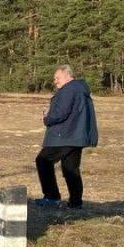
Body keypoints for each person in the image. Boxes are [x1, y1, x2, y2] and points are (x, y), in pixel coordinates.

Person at [35, 63, 98, 210]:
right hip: (77, 136)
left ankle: (51, 197)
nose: (55, 81)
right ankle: (76, 203)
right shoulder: (80, 89)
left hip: (64, 135)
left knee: (43, 161)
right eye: (54, 78)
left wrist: (46, 118)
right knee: (70, 168)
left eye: (57, 78)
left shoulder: (68, 90)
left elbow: (60, 113)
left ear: (67, 75)